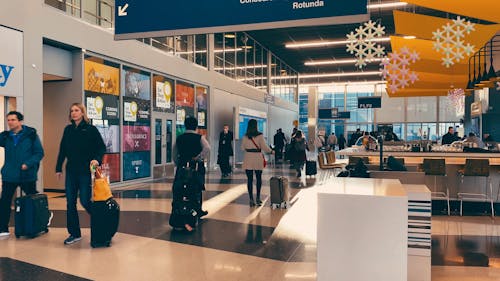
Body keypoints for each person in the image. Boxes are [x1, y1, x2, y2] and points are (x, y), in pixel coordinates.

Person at [56, 103, 106, 245]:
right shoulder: (68, 130)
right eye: (72, 111)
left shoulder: (91, 130)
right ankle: (74, 233)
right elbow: (63, 150)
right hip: (71, 171)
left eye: (77, 110)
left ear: (83, 113)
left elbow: (101, 147)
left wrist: (97, 159)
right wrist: (58, 168)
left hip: (85, 171)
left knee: (84, 200)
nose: (74, 113)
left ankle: (101, 223)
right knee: (70, 203)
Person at [0, 111, 44, 237]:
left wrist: (28, 163)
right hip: (10, 174)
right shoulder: (5, 136)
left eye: (13, 120)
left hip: (27, 174)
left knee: (33, 200)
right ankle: (3, 228)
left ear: (20, 121)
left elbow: (39, 153)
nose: (10, 122)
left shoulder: (31, 135)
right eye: (8, 120)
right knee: (4, 201)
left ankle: (39, 222)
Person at [173, 116, 210, 231]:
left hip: (182, 168)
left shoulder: (179, 138)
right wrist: (198, 158)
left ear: (185, 125)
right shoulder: (199, 137)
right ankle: (197, 211)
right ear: (196, 126)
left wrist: (178, 162)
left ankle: (179, 214)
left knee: (180, 190)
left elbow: (174, 153)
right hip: (196, 168)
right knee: (196, 189)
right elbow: (207, 148)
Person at [242, 119, 273, 207]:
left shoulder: (245, 136)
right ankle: (258, 198)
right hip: (257, 158)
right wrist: (271, 151)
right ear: (256, 126)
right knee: (258, 178)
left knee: (250, 180)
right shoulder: (260, 135)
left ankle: (251, 199)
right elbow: (264, 147)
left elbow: (242, 147)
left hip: (248, 158)